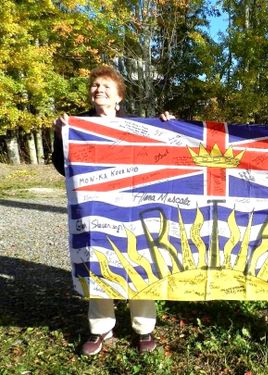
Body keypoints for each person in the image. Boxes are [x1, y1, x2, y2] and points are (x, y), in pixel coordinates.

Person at [52, 65, 175, 356]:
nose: (99, 90)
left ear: (119, 96)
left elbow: (165, 157)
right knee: (99, 261)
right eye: (95, 85)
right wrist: (61, 135)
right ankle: (101, 329)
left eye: (106, 86)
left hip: (134, 208)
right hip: (94, 209)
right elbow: (62, 166)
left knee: (137, 260)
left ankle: (144, 328)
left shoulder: (137, 128)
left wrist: (168, 126)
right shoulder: (77, 126)